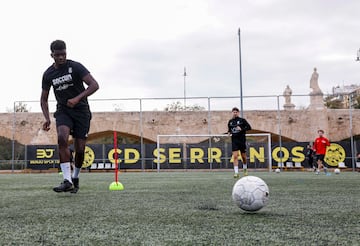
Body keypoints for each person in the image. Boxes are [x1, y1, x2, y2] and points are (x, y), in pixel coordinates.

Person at [41, 40, 99, 193]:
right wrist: (47, 118)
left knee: (80, 149)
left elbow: (94, 85)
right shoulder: (48, 74)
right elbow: (43, 99)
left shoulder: (76, 67)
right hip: (63, 111)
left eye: (63, 54)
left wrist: (77, 98)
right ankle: (66, 180)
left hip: (81, 111)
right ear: (52, 55)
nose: (61, 57)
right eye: (57, 55)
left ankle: (75, 176)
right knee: (61, 137)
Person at [227, 107, 252, 178]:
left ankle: (245, 169)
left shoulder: (242, 120)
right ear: (232, 113)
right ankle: (236, 172)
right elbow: (229, 130)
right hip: (234, 141)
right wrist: (229, 132)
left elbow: (249, 127)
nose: (235, 113)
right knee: (235, 156)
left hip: (241, 140)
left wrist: (242, 129)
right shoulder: (230, 122)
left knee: (243, 157)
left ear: (238, 113)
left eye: (236, 112)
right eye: (233, 112)